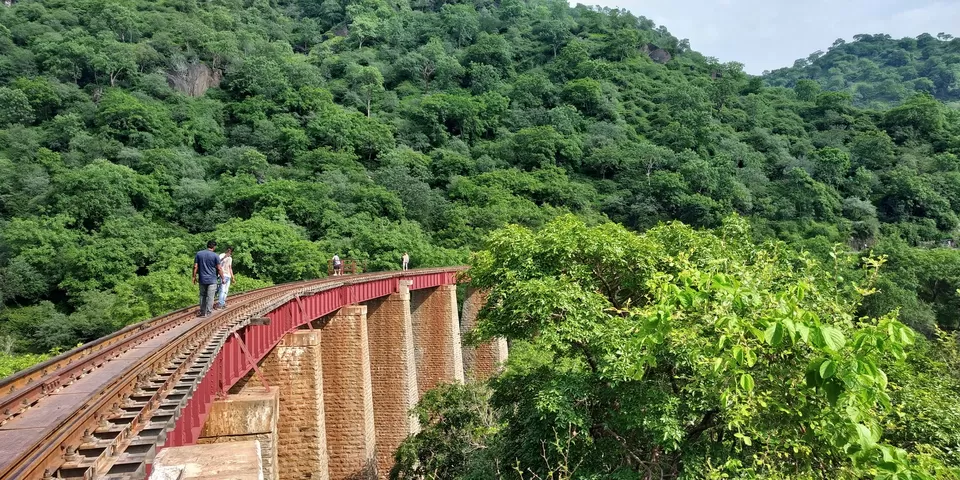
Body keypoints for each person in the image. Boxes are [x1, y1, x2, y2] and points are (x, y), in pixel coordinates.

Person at [193, 240, 223, 317]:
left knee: (202, 295)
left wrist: (194, 277)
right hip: (212, 279)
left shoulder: (199, 254)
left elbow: (195, 266)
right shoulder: (215, 255)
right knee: (210, 296)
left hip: (202, 279)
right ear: (214, 247)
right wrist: (223, 278)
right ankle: (208, 313)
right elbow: (219, 268)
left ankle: (203, 312)